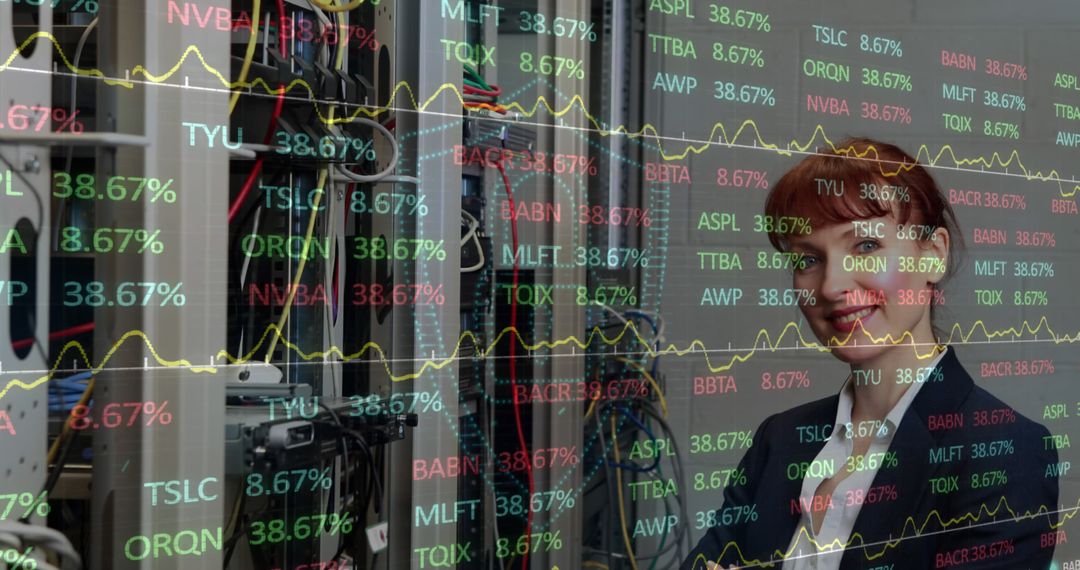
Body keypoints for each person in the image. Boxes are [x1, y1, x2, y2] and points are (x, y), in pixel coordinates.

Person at [683, 138, 1059, 570]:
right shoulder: (779, 439)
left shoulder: (1007, 451)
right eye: (807, 259)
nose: (829, 286)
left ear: (933, 255)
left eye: (865, 246)